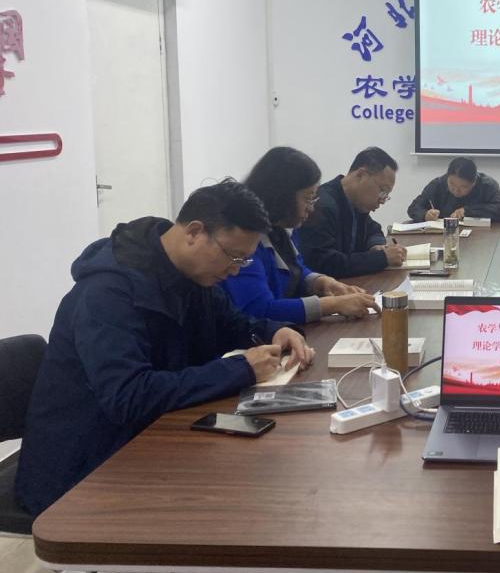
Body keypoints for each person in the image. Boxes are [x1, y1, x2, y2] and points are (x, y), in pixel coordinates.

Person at [16, 180, 311, 517]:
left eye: (243, 261)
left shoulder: (191, 274)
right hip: (83, 466)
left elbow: (232, 323)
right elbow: (129, 397)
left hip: (150, 436)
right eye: (233, 257)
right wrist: (241, 369)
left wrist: (275, 331)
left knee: (266, 481)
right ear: (195, 232)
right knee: (236, 505)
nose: (234, 270)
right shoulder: (107, 293)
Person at [221, 147, 379, 323]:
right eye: (307, 198)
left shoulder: (284, 227)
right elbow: (259, 309)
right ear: (282, 195)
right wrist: (331, 305)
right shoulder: (245, 240)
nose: (311, 208)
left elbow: (295, 268)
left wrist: (319, 281)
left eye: (313, 198)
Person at [295, 147, 407, 277]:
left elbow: (373, 228)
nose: (382, 201)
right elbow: (325, 263)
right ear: (361, 175)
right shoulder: (322, 206)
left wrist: (376, 244)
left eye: (386, 195)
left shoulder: (356, 203)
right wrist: (382, 258)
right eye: (383, 191)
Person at [407, 157, 500, 222]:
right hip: (443, 236)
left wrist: (468, 211)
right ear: (447, 176)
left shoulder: (487, 185)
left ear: (474, 182)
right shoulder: (438, 184)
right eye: (452, 184)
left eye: (463, 187)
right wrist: (425, 215)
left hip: (481, 236)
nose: (456, 191)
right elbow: (413, 208)